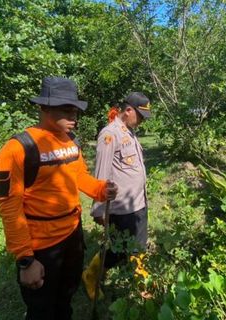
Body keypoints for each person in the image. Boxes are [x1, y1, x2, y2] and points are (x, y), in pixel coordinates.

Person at [0, 76, 117, 320]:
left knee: (65, 300)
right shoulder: (18, 148)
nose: (74, 117)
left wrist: (101, 189)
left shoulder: (71, 142)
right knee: (42, 310)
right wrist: (26, 260)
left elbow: (79, 177)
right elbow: (9, 207)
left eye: (75, 110)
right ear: (44, 107)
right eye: (66, 109)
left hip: (73, 237)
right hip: (42, 247)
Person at [82, 92, 151, 300]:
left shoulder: (129, 131)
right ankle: (91, 275)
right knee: (119, 249)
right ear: (128, 110)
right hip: (121, 207)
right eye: (139, 116)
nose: (141, 121)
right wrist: (99, 209)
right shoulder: (109, 134)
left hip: (138, 202)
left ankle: (143, 282)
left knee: (139, 244)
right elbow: (101, 174)